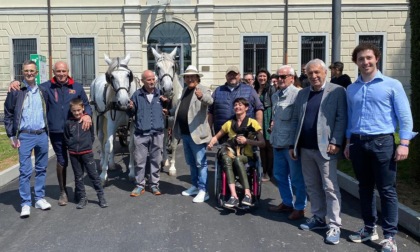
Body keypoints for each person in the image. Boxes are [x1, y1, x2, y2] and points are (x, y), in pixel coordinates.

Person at [345, 43, 417, 252]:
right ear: (356, 62)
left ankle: (390, 236)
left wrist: (404, 143)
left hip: (382, 142)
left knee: (387, 190)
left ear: (376, 58)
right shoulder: (352, 89)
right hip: (358, 142)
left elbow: (404, 116)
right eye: (360, 59)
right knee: (364, 188)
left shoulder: (392, 85)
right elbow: (351, 117)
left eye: (368, 58)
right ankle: (369, 228)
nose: (365, 62)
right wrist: (349, 142)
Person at [9, 61, 93, 206]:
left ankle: (80, 191)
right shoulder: (45, 87)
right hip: (56, 132)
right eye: (58, 71)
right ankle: (63, 192)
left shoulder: (77, 87)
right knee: (61, 161)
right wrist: (15, 82)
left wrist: (88, 115)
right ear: (53, 72)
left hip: (75, 132)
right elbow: (28, 85)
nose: (61, 74)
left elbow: (86, 105)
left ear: (68, 71)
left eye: (63, 71)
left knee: (78, 161)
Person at [289, 59, 347, 245]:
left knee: (330, 187)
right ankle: (318, 217)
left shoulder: (337, 91)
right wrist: (293, 144)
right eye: (310, 73)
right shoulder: (303, 93)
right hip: (306, 147)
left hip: (326, 148)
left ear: (324, 73)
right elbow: (296, 120)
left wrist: (336, 141)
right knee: (312, 185)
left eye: (317, 72)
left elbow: (341, 118)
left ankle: (335, 224)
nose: (313, 76)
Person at [4, 60, 51, 217]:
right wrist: (11, 135)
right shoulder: (16, 91)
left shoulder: (43, 91)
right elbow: (9, 114)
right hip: (24, 135)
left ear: (36, 73)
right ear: (22, 73)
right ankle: (25, 203)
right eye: (26, 71)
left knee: (41, 168)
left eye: (32, 71)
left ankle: (39, 198)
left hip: (42, 135)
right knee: (24, 171)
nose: (29, 73)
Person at [208, 97, 265, 208]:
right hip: (231, 153)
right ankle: (234, 196)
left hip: (246, 156)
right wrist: (211, 142)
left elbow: (262, 143)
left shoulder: (253, 123)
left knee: (238, 159)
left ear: (246, 108)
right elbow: (217, 136)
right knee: (225, 158)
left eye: (240, 105)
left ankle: (247, 194)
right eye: (235, 105)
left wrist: (247, 141)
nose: (237, 107)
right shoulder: (229, 123)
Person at [168, 65, 213, 203]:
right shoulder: (185, 90)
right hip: (186, 134)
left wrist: (201, 97)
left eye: (192, 76)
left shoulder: (204, 89)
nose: (189, 79)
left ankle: (203, 190)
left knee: (201, 163)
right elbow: (180, 108)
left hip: (197, 135)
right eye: (187, 77)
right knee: (191, 163)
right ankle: (194, 186)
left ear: (197, 78)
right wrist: (169, 111)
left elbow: (210, 101)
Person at [269, 65, 306, 220]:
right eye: (279, 76)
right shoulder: (275, 95)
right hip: (277, 142)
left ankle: (300, 207)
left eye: (284, 76)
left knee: (297, 178)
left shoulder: (298, 95)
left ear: (292, 77)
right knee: (279, 175)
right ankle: (287, 202)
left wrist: (295, 145)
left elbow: (300, 121)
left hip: (290, 145)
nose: (281, 79)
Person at [64, 98, 108, 209]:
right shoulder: (69, 123)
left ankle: (101, 196)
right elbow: (66, 136)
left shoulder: (88, 121)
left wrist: (87, 145)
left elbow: (92, 136)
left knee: (93, 175)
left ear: (83, 108)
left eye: (79, 110)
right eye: (74, 111)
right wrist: (70, 145)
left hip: (87, 153)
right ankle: (83, 198)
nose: (77, 113)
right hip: (74, 154)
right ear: (71, 110)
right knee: (78, 177)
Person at [129, 70, 165, 197]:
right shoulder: (136, 95)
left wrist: (167, 102)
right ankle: (140, 185)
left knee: (156, 160)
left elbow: (169, 109)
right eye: (148, 79)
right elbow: (131, 113)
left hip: (157, 133)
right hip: (141, 134)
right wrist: (130, 108)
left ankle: (154, 184)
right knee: (139, 161)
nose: (151, 81)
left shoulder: (160, 94)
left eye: (153, 79)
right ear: (143, 81)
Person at [208, 66, 263, 137]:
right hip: (222, 135)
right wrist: (208, 131)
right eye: (230, 74)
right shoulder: (218, 91)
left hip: (246, 135)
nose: (232, 76)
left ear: (239, 76)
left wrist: (259, 131)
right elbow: (210, 112)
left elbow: (259, 109)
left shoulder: (250, 90)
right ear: (226, 76)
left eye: (235, 74)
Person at [253, 68, 276, 182]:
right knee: (261, 145)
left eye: (264, 76)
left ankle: (269, 171)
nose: (262, 78)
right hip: (257, 117)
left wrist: (273, 120)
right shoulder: (255, 89)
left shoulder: (271, 89)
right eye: (260, 76)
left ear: (267, 77)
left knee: (269, 146)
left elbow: (275, 105)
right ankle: (263, 169)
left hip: (268, 115)